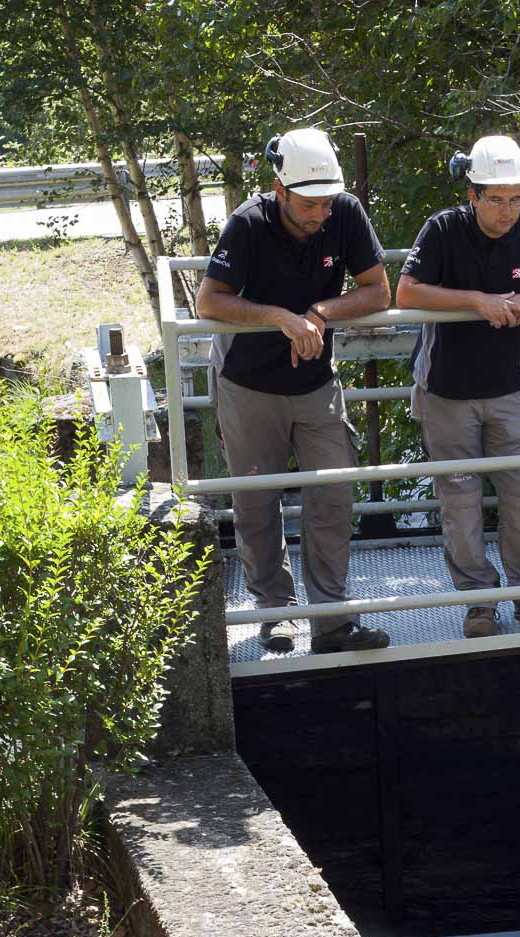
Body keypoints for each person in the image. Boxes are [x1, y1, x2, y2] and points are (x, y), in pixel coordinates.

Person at [197, 127, 392, 654]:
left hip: (316, 383)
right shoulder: (247, 223)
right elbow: (209, 301)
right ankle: (275, 613)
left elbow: (379, 290)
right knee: (257, 502)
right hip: (248, 384)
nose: (322, 213)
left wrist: (320, 313)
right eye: (310, 204)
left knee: (332, 493)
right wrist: (281, 318)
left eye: (327, 201)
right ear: (280, 190)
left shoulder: (344, 212)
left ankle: (330, 620)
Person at [397, 135, 520, 639]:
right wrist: (476, 301)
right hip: (445, 390)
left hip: (508, 388)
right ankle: (479, 603)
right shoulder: (442, 229)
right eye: (496, 199)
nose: (507, 211)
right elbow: (406, 291)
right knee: (460, 503)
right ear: (472, 196)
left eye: (515, 199)